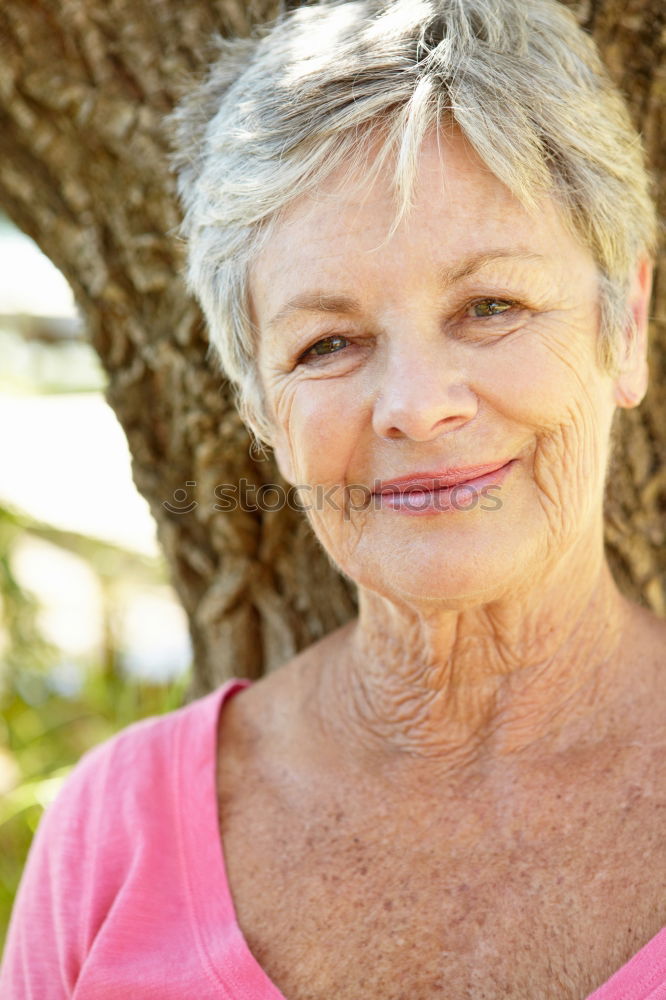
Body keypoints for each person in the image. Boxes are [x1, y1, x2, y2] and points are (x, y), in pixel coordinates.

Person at [2, 0, 664, 997]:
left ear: (625, 327)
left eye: (492, 306)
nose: (417, 408)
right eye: (329, 343)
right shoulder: (112, 834)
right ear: (262, 402)